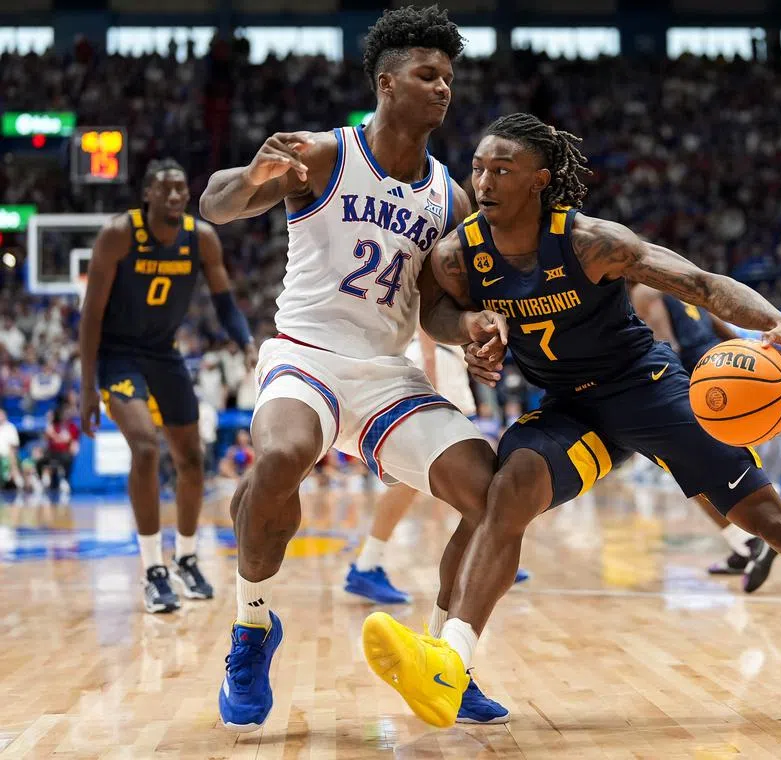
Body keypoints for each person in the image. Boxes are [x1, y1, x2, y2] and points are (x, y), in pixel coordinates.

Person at [361, 113, 781, 728]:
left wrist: (777, 321)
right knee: (507, 490)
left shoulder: (591, 243)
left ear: (539, 180)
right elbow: (434, 312)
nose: (483, 182)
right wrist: (470, 326)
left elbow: (700, 283)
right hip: (569, 409)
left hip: (646, 390)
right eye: (478, 168)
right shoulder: (461, 254)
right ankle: (450, 663)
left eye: (502, 170)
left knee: (778, 525)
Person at [199, 6, 510, 731]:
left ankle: (442, 657)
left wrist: (469, 328)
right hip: (305, 355)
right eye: (428, 74)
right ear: (386, 83)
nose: (443, 88)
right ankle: (252, 626)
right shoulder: (323, 155)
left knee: (492, 495)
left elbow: (434, 311)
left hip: (386, 374)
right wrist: (251, 176)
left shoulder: (451, 198)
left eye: (449, 77)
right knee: (280, 456)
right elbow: (215, 205)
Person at [79, 158, 256, 613]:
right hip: (118, 355)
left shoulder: (201, 238)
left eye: (181, 188)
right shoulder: (119, 235)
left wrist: (246, 343)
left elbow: (225, 303)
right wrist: (86, 388)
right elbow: (91, 316)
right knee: (144, 448)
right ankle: (153, 569)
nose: (176, 196)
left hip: (164, 353)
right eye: (166, 189)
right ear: (147, 195)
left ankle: (187, 558)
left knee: (192, 459)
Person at [343, 326, 530, 621]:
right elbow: (427, 322)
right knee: (415, 479)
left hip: (444, 365)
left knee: (460, 472)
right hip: (435, 367)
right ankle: (367, 565)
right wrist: (430, 387)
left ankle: (488, 550)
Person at [629, 283, 776, 592]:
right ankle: (742, 546)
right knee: (724, 469)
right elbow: (724, 329)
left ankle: (756, 539)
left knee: (691, 472)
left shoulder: (642, 291)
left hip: (700, 379)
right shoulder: (678, 284)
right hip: (727, 368)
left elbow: (666, 346)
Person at [39, 407, 80, 494]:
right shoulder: (54, 426)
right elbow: (47, 437)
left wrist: (55, 437)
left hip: (64, 452)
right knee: (40, 460)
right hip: (52, 451)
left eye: (67, 415)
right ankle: (41, 480)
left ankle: (65, 480)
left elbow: (69, 440)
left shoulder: (72, 427)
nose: (65, 417)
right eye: (63, 415)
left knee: (67, 458)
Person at [0, 408, 22, 492]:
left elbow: (13, 447)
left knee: (12, 460)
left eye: (1, 415)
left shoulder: (10, 427)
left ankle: (20, 486)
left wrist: (12, 462)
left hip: (8, 456)